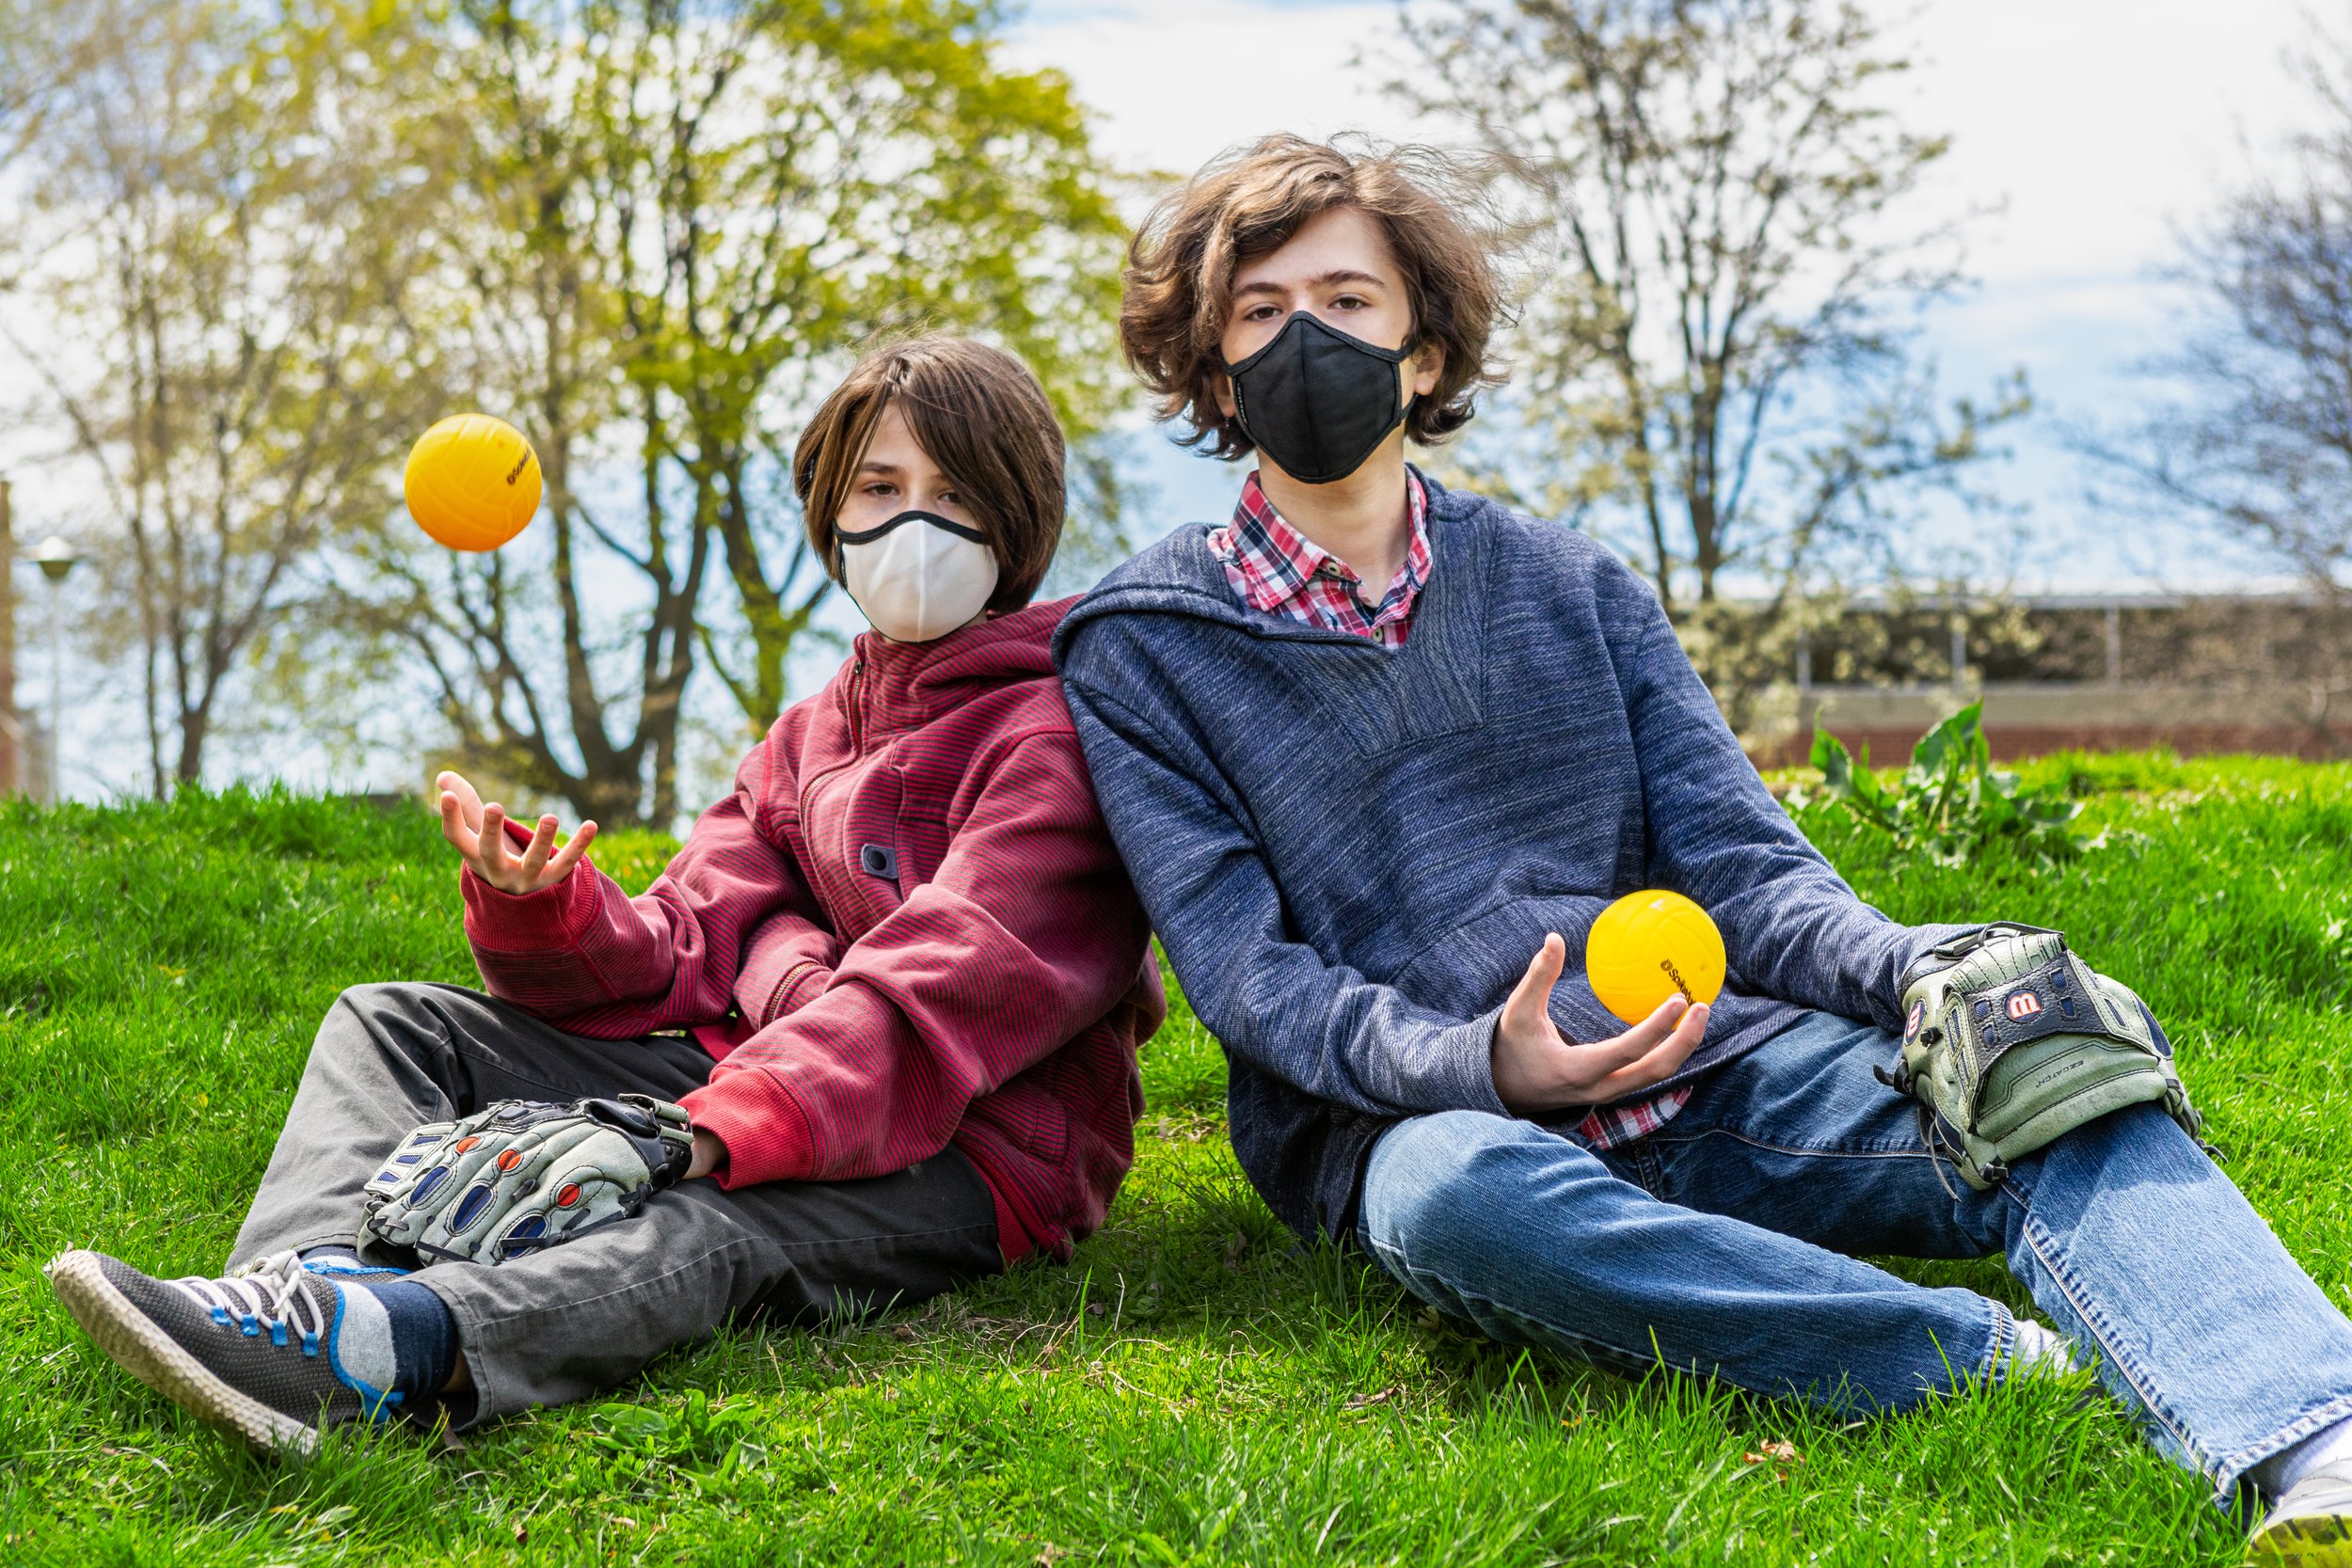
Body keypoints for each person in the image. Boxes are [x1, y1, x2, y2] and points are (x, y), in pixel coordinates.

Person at [1050, 134, 2352, 1560]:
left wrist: (1921, 966)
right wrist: (1482, 1061)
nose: (1309, 333)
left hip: (1712, 1061)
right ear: (1217, 372)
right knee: (1454, 1204)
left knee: (2038, 1061)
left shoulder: (1572, 585)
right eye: (1261, 309)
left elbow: (1746, 864)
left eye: (1350, 299)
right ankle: (1982, 1356)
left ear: (1422, 350)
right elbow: (1250, 977)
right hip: (1434, 1123)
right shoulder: (1140, 645)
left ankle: (2315, 1442)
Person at [48, 334, 1165, 1452]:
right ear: (831, 511)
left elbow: (935, 997)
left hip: (978, 1152)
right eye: (880, 486)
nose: (912, 522)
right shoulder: (809, 733)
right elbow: (686, 938)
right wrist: (546, 906)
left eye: (954, 492)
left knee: (707, 1226)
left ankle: (401, 1346)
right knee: (395, 1022)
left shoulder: (1055, 737)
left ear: (1018, 519)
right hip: (757, 1079)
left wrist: (682, 1134)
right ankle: (298, 1297)